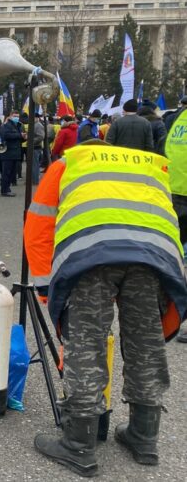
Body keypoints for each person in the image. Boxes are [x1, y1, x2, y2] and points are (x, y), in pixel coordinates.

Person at [24, 140, 187, 477]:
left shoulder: (70, 163)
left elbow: (38, 228)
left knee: (87, 343)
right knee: (145, 344)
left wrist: (45, 289)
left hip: (91, 254)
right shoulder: (149, 166)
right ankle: (144, 438)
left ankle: (78, 445)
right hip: (153, 257)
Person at [163, 102, 187, 343]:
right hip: (177, 194)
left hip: (174, 193)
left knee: (173, 254)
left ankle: (170, 316)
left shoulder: (177, 117)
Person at [0, 110, 25, 197]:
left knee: (12, 173)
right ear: (10, 116)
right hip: (8, 152)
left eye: (17, 116)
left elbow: (19, 138)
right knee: (6, 172)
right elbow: (6, 135)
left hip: (16, 152)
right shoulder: (6, 125)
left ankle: (7, 189)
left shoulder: (19, 125)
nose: (16, 118)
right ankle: (5, 190)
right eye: (15, 116)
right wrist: (19, 135)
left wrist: (24, 137)